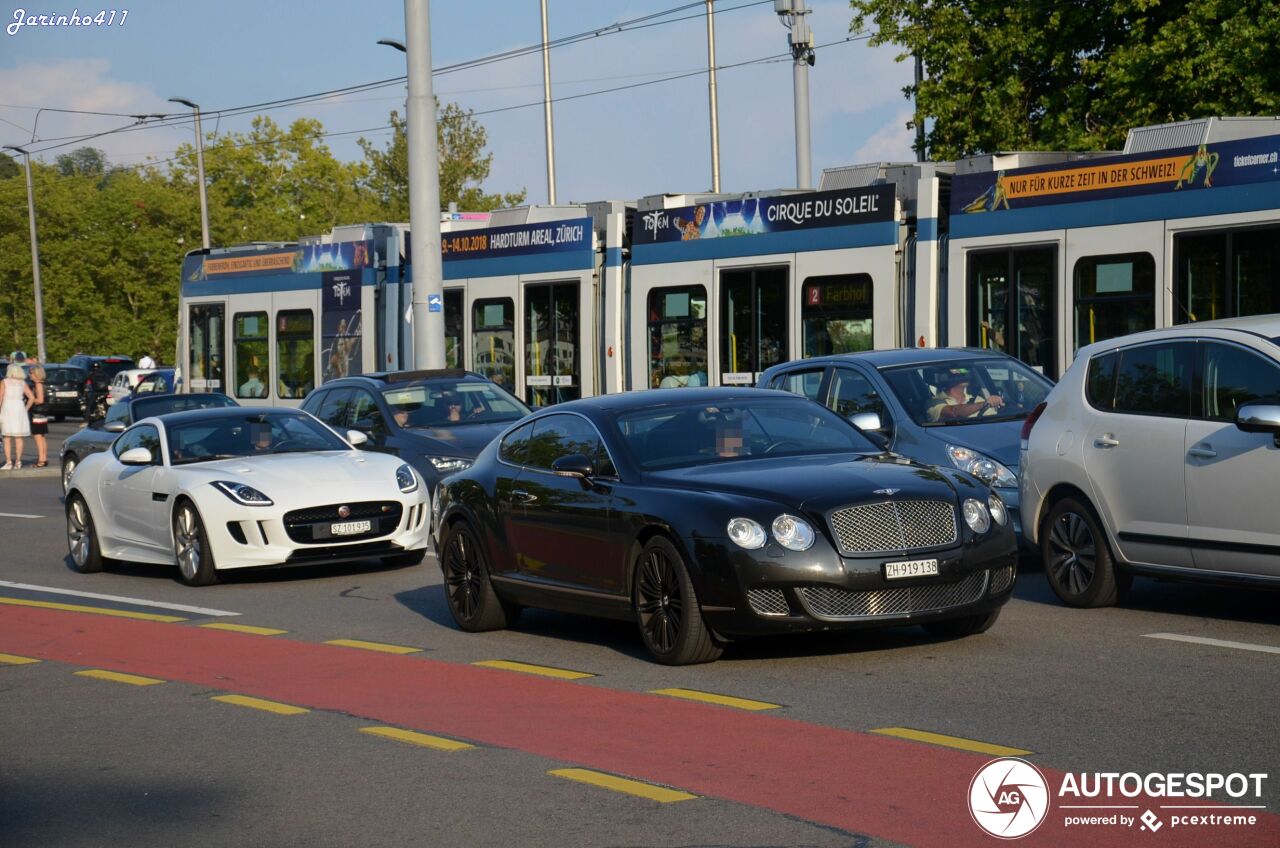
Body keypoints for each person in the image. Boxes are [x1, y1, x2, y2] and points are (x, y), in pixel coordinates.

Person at [926, 369, 1005, 422]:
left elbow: (993, 420)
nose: (964, 374)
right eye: (958, 372)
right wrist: (983, 404)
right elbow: (953, 412)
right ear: (945, 377)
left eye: (966, 372)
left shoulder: (978, 399)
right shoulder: (933, 403)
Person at [2, 363, 34, 470]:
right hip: (19, 408)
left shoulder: (4, 382)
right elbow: (31, 398)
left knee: (6, 437)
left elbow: (0, 398)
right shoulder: (22, 383)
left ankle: (8, 462)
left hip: (7, 408)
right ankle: (18, 462)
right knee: (18, 437)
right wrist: (25, 409)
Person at [26, 365, 49, 467]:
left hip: (37, 413)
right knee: (42, 437)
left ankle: (41, 460)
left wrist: (30, 399)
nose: (29, 375)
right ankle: (44, 458)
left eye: (31, 373)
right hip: (42, 414)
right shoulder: (41, 384)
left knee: (38, 437)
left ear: (36, 374)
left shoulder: (38, 385)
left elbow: (40, 400)